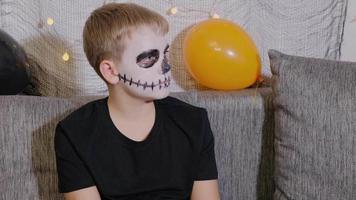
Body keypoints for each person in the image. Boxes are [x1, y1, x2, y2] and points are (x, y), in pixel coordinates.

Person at [54, 2, 220, 200]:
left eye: (165, 53)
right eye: (149, 58)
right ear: (110, 71)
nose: (166, 68)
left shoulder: (193, 122)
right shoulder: (75, 133)